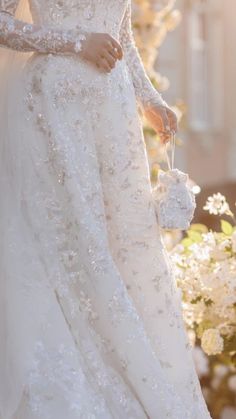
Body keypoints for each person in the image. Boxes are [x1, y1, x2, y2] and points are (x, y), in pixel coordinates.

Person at [0, 1, 212, 418]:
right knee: (73, 248)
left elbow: (120, 35)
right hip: (53, 111)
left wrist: (150, 99)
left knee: (124, 246)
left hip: (113, 116)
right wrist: (76, 42)